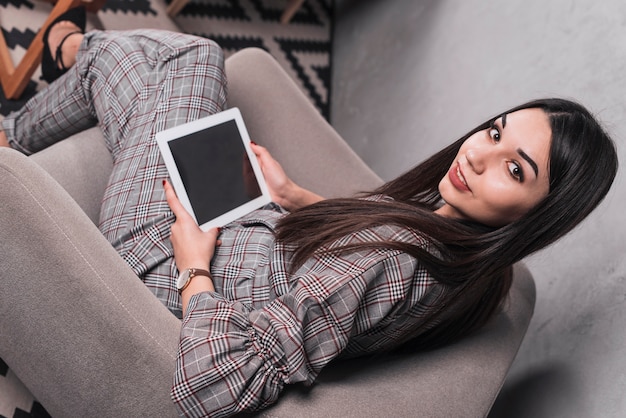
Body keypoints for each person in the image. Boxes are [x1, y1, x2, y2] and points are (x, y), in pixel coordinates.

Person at [0, 8, 618, 418]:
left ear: (541, 212)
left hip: (171, 258)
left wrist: (193, 269)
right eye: (494, 131)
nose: (480, 157)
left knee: (174, 60)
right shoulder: (471, 261)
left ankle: (58, 69)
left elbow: (215, 383)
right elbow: (356, 265)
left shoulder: (393, 263)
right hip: (249, 234)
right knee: (187, 62)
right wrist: (298, 198)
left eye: (516, 169)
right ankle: (63, 69)